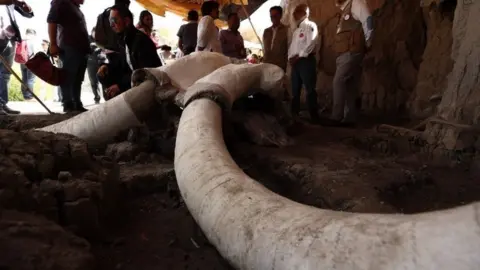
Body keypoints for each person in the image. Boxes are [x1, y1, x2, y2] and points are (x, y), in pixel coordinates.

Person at [325, 0, 374, 127]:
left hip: (352, 51)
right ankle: (350, 118)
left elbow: (368, 20)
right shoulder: (345, 10)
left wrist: (368, 42)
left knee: (338, 81)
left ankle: (336, 116)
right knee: (350, 84)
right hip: (345, 51)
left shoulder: (356, 3)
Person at [97, 4, 161, 100]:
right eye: (110, 21)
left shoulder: (140, 41)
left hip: (148, 83)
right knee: (104, 74)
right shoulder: (124, 39)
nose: (111, 25)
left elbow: (145, 72)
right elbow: (124, 65)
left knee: (117, 87)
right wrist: (106, 66)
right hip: (133, 77)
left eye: (114, 20)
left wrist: (120, 86)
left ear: (126, 21)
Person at [47, 0, 90, 113]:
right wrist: (53, 44)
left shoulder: (75, 7)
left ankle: (77, 103)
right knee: (68, 77)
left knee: (78, 78)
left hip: (81, 48)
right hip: (69, 46)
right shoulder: (61, 2)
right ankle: (68, 104)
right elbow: (52, 21)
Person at [288, 3, 319, 122]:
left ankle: (314, 115)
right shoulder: (296, 31)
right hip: (296, 63)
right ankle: (294, 114)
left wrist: (299, 56)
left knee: (309, 88)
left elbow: (311, 43)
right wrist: (290, 58)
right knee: (295, 90)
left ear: (305, 13)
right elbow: (293, 47)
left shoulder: (310, 25)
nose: (295, 15)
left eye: (297, 12)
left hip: (306, 61)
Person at [0, 0, 32, 115]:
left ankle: (2, 104)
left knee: (5, 73)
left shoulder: (11, 2)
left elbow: (28, 14)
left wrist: (27, 9)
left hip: (10, 39)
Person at [262, 6, 288, 71]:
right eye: (271, 16)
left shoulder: (286, 30)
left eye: (275, 15)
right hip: (266, 65)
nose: (273, 18)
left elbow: (289, 49)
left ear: (280, 15)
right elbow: (264, 49)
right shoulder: (266, 31)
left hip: (280, 67)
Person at [18, 28, 40, 101]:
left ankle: (25, 95)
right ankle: (29, 96)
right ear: (32, 34)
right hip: (31, 62)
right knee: (30, 79)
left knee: (24, 79)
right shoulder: (32, 41)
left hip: (22, 62)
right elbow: (34, 53)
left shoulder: (22, 40)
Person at [87, 27, 101, 104]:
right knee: (93, 81)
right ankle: (97, 97)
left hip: (101, 62)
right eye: (95, 32)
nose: (96, 34)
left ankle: (107, 95)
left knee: (103, 79)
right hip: (90, 63)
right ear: (92, 32)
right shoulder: (87, 39)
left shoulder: (101, 38)